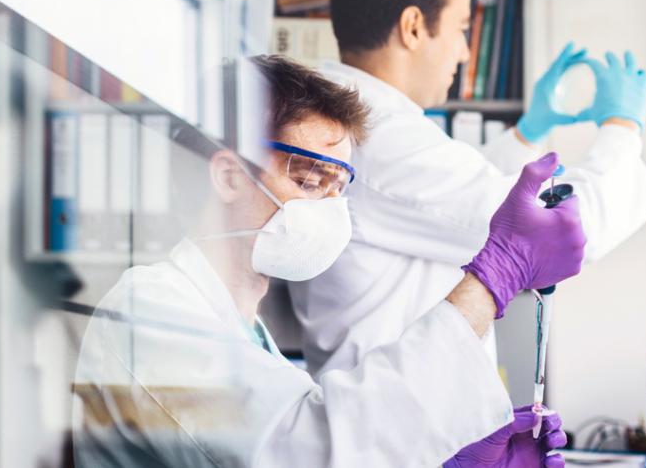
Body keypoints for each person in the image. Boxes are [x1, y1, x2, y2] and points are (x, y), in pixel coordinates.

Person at [72, 55, 583, 467]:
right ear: (229, 177)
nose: (330, 210)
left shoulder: (247, 334)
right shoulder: (149, 313)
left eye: (339, 188)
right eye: (311, 182)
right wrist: (493, 278)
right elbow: (307, 451)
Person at [292, 0, 646, 379]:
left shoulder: (359, 121)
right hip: (399, 428)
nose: (465, 52)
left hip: (391, 410)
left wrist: (529, 132)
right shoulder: (380, 135)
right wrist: (622, 129)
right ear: (413, 27)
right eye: (461, 29)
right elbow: (549, 228)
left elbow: (448, 196)